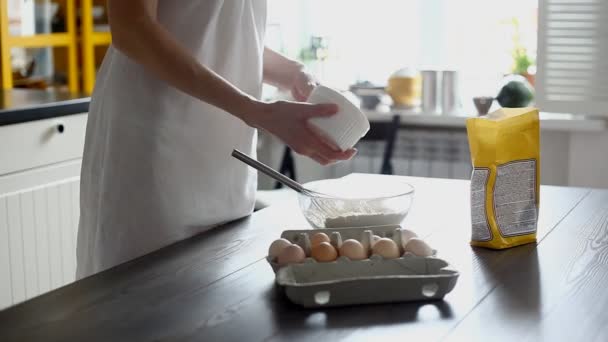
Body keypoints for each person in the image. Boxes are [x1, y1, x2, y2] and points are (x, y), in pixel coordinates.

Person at [76, 0, 356, 279]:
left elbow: (220, 31)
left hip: (225, 146)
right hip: (156, 140)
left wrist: (293, 73)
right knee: (143, 292)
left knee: (215, 288)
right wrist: (255, 110)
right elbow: (131, 28)